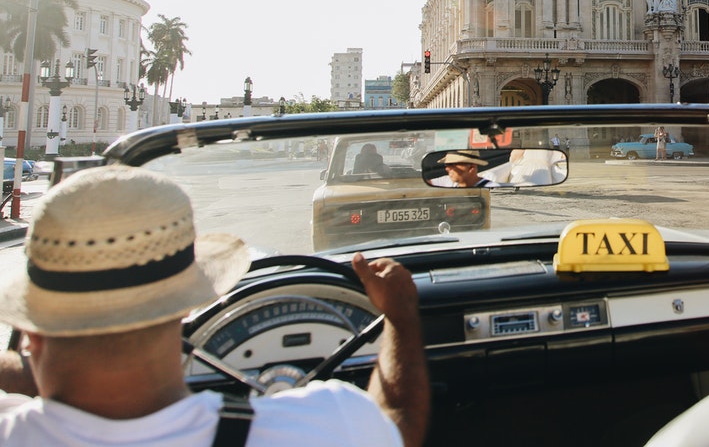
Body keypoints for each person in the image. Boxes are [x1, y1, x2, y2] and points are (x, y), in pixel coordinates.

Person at [0, 165, 430, 447]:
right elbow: (399, 419)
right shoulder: (329, 425)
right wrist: (399, 316)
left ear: (33, 332)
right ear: (186, 309)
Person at [429, 150, 495, 188]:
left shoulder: (491, 186)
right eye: (447, 164)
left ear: (471, 167)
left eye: (453, 164)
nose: (447, 168)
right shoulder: (449, 181)